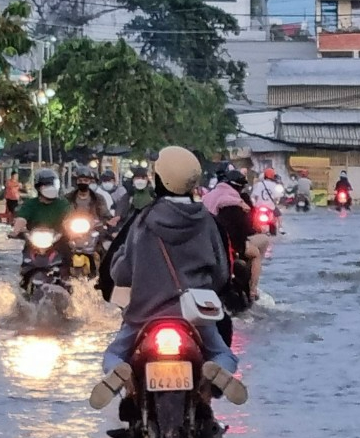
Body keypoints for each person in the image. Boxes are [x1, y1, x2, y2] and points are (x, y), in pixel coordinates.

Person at [91, 146, 247, 410]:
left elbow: (121, 272)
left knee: (115, 352)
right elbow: (221, 274)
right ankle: (213, 378)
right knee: (223, 353)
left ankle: (122, 375)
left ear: (159, 179)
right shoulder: (207, 221)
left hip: (144, 314)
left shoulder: (142, 221)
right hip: (195, 317)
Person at [204, 169, 268, 305]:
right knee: (256, 253)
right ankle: (253, 289)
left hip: (208, 242)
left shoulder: (210, 196)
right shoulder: (235, 203)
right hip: (231, 243)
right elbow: (244, 228)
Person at [11, 169, 74, 272]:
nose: (50, 188)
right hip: (34, 242)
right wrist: (16, 230)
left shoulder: (63, 204)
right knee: (26, 268)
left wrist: (70, 230)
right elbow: (21, 219)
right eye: (46, 185)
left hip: (58, 240)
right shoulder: (30, 204)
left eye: (52, 185)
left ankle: (67, 282)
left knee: (67, 261)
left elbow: (69, 219)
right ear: (38, 187)